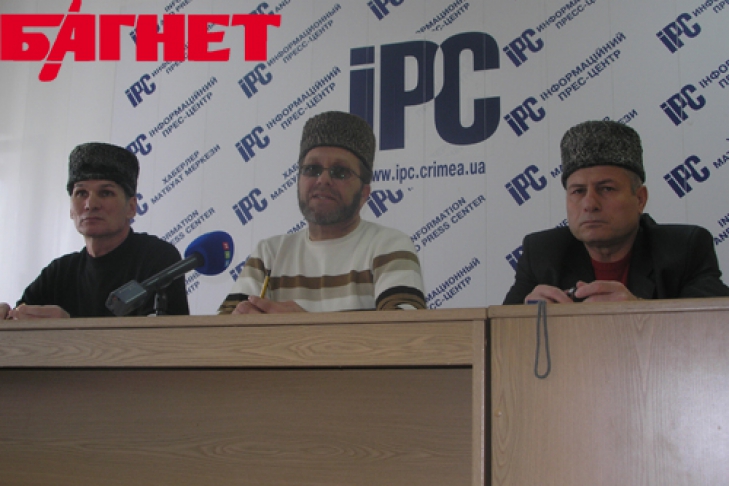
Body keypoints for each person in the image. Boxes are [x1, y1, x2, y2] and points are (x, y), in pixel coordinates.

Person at [218, 111, 426, 314]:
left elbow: (404, 333)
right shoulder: (269, 254)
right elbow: (223, 331)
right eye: (312, 169)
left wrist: (303, 328)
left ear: (364, 193)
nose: (323, 180)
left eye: (340, 172)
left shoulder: (389, 246)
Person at [503, 120, 729, 304]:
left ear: (640, 199)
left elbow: (717, 322)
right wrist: (525, 319)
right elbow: (499, 334)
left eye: (606, 189)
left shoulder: (685, 249)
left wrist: (638, 310)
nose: (589, 204)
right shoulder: (542, 253)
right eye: (578, 191)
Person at [1, 142, 189, 319]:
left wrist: (66, 330)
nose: (90, 204)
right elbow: (19, 328)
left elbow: (167, 339)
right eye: (81, 193)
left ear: (131, 207)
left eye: (105, 193)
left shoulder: (157, 259)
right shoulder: (59, 273)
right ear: (71, 209)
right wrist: (8, 318)